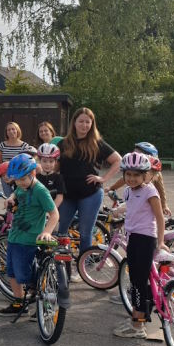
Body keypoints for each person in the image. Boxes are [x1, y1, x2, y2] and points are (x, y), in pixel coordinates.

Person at [0, 154, 59, 317]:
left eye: (23, 179)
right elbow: (17, 192)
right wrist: (11, 197)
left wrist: (46, 232)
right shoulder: (21, 186)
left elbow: (54, 214)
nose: (20, 183)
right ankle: (19, 303)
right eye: (16, 180)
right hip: (14, 237)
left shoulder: (40, 191)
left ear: (33, 174)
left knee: (29, 276)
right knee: (12, 273)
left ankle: (43, 303)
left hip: (29, 240)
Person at [112, 152, 166, 339]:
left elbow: (160, 218)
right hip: (133, 237)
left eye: (136, 175)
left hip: (145, 239)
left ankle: (137, 326)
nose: (132, 178)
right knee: (138, 280)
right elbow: (131, 207)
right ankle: (140, 317)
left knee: (137, 283)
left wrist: (160, 242)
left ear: (145, 175)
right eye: (128, 174)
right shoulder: (128, 191)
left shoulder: (150, 191)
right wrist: (119, 212)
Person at [56, 108, 121, 254]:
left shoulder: (97, 143)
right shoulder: (63, 143)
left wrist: (103, 178)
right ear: (74, 123)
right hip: (67, 194)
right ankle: (61, 265)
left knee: (85, 234)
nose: (84, 125)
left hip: (90, 194)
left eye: (87, 122)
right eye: (81, 121)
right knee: (61, 230)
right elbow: (55, 166)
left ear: (92, 124)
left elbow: (118, 160)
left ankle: (82, 267)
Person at [108, 142, 170, 217]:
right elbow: (123, 180)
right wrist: (112, 188)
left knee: (119, 212)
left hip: (144, 206)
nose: (134, 156)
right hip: (136, 199)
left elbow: (161, 190)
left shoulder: (154, 175)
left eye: (138, 154)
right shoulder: (134, 173)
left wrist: (164, 205)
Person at [0, 122, 31, 197]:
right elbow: (0, 161)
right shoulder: (2, 145)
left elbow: (27, 162)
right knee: (9, 197)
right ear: (6, 132)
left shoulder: (24, 146)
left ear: (17, 130)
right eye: (8, 130)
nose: (11, 131)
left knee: (20, 196)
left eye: (13, 129)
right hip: (6, 175)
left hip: (20, 175)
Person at [35, 143, 64, 208]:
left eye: (51, 161)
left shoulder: (58, 177)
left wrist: (51, 210)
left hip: (52, 210)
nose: (47, 164)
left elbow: (60, 197)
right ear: (40, 161)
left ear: (55, 162)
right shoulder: (35, 177)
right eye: (44, 161)